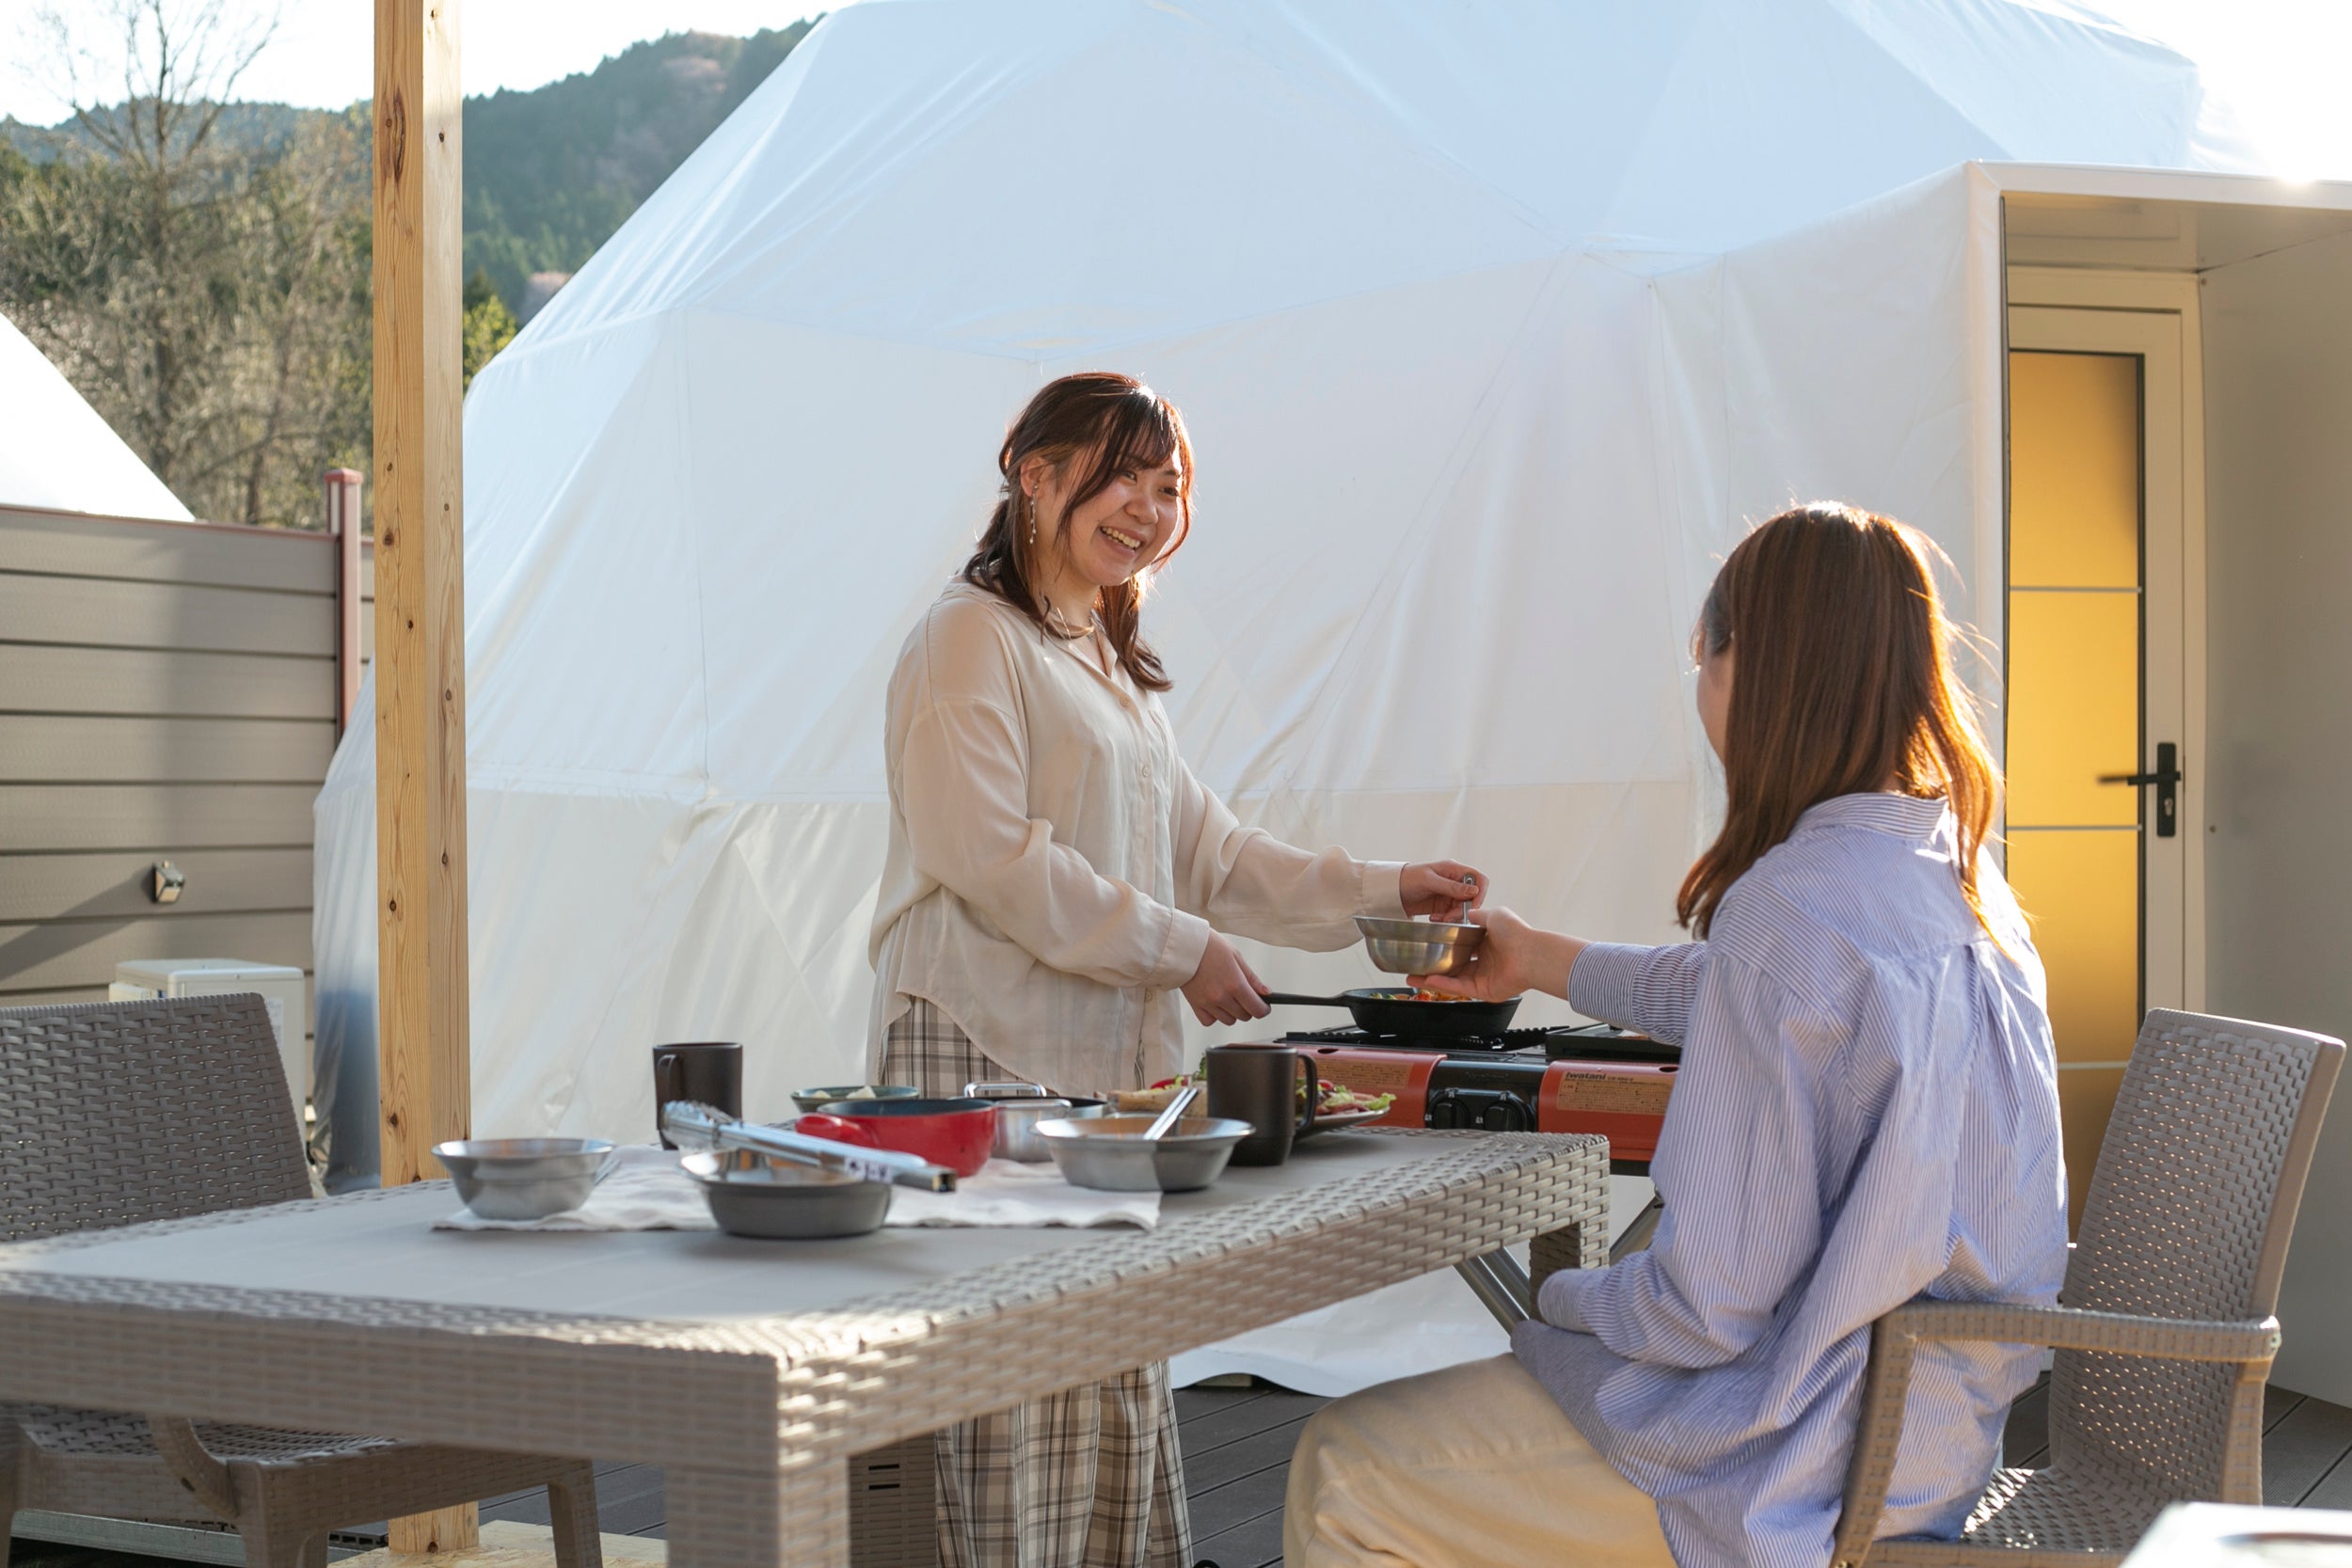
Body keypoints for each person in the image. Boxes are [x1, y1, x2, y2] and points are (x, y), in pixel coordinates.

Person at [1284, 504, 2068, 1568]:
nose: (1702, 690)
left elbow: (1707, 1305)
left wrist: (1558, 1295)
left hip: (1785, 1465)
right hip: (1931, 1438)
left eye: (1706, 657)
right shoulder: (1964, 883)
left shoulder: (1790, 908)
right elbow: (1749, 992)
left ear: (1759, 671)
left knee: (1345, 1466)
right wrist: (1540, 956)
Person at [868, 371, 1486, 1568]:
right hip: (981, 1058)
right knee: (1006, 1402)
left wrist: (1385, 890)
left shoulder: (1103, 659)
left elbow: (1212, 856)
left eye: (1169, 486)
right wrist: (1182, 949)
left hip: (1103, 1077)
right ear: (1035, 475)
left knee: (1095, 1376)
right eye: (1123, 478)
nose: (1150, 511)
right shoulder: (967, 637)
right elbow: (986, 856)